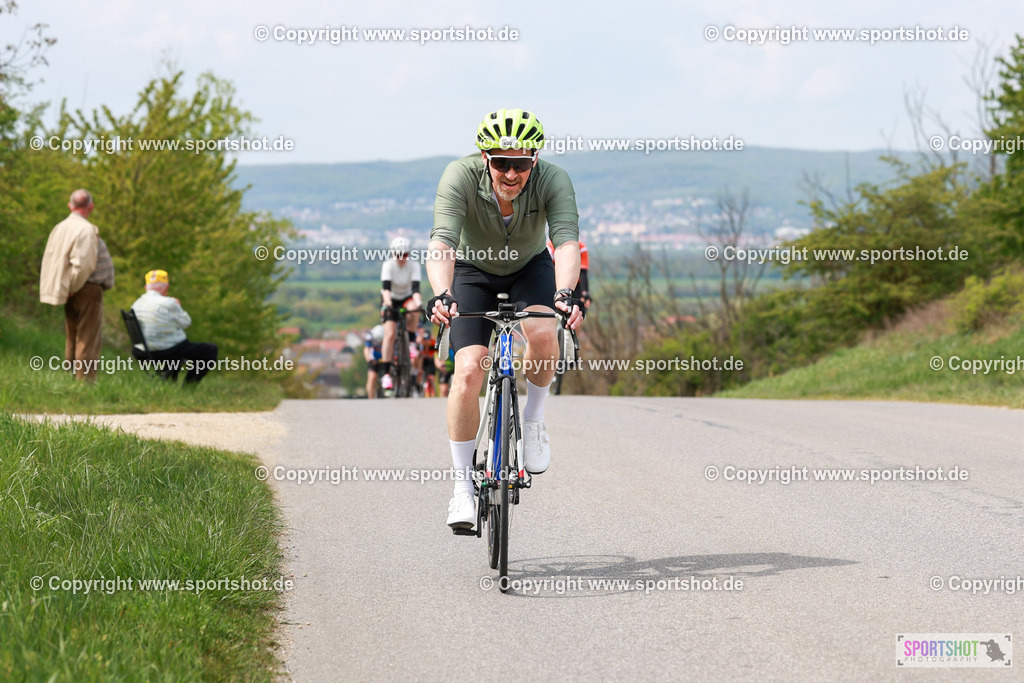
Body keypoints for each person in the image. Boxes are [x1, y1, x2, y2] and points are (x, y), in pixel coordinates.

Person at [426, 108, 586, 531]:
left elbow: (566, 242)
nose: (511, 174)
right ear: (484, 158)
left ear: (534, 161)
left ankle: (532, 419)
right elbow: (442, 242)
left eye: (521, 164)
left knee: (542, 331)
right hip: (470, 270)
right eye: (501, 163)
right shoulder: (458, 177)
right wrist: (442, 293)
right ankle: (462, 488)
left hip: (530, 266)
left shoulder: (554, 180)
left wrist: (566, 294)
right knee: (467, 371)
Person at [39, 189, 115, 381]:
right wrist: (73, 287)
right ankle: (85, 383)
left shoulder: (60, 227)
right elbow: (83, 264)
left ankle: (70, 380)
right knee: (87, 338)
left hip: (70, 288)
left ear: (70, 205)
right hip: (85, 288)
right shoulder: (85, 229)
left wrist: (66, 288)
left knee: (72, 337)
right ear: (91, 206)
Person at [129, 270, 218, 384]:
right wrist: (178, 305)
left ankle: (169, 381)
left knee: (176, 347)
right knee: (209, 350)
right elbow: (186, 323)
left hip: (142, 352)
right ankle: (189, 386)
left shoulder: (136, 304)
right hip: (167, 351)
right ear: (166, 287)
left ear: (146, 287)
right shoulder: (169, 303)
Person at [378, 236, 423, 393]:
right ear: (393, 254)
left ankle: (410, 342)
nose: (402, 258)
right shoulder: (388, 265)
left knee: (413, 309)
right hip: (390, 298)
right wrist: (388, 304)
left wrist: (419, 304)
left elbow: (416, 290)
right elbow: (386, 290)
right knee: (390, 335)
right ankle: (386, 374)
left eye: (405, 254)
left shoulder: (414, 265)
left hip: (407, 297)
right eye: (398, 255)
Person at [547, 236, 592, 310]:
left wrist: (585, 294)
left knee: (577, 307)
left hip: (574, 284)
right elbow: (548, 272)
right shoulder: (549, 248)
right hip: (555, 280)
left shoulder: (581, 247)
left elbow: (583, 272)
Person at [364, 324, 384, 399]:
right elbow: (366, 349)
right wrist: (369, 359)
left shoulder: (386, 335)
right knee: (372, 377)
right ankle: (371, 397)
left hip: (384, 359)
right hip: (374, 360)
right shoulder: (370, 336)